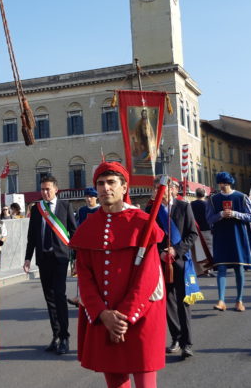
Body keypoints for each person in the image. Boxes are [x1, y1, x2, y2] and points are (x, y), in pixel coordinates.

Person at [69, 161, 166, 388]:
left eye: (111, 182)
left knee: (145, 382)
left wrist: (124, 317)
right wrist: (103, 314)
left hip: (140, 314)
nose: (105, 188)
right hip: (103, 316)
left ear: (124, 187)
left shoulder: (142, 223)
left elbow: (148, 277)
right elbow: (84, 276)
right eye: (101, 184)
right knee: (115, 382)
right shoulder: (88, 226)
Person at [23, 176, 77, 355]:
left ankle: (65, 337)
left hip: (60, 259)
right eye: (42, 189)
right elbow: (32, 236)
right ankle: (56, 336)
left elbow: (74, 232)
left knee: (60, 297)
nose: (45, 193)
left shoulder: (65, 206)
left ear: (56, 189)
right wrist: (27, 258)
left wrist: (76, 257)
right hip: (43, 259)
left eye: (48, 189)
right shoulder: (38, 209)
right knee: (50, 299)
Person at [147, 177, 199, 359]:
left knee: (184, 303)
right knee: (167, 301)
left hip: (181, 261)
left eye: (163, 188)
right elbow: (149, 236)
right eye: (156, 188)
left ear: (175, 190)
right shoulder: (151, 210)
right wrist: (161, 251)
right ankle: (176, 337)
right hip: (160, 262)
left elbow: (192, 234)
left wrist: (176, 250)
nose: (159, 191)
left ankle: (187, 342)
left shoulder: (184, 207)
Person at [206, 172, 251, 312]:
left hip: (238, 235)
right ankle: (221, 300)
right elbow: (209, 219)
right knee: (221, 268)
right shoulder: (213, 199)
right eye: (220, 183)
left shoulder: (241, 197)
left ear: (229, 183)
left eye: (224, 183)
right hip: (221, 236)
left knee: (239, 268)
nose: (222, 185)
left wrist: (235, 214)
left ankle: (239, 300)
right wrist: (220, 215)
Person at [190, 188, 213, 276]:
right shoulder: (208, 204)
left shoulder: (191, 204)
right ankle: (209, 269)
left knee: (199, 250)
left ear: (196, 194)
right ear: (204, 194)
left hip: (196, 229)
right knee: (209, 249)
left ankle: (200, 269)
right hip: (207, 229)